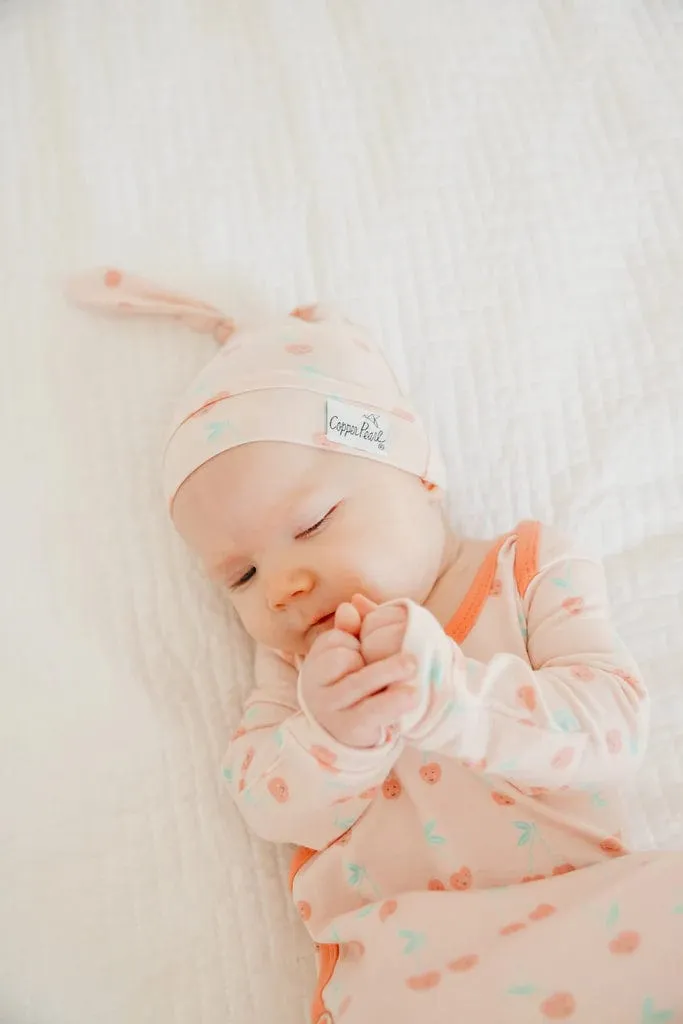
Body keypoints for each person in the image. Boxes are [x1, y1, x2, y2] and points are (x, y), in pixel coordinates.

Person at [71, 269, 683, 1024]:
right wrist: (334, 740)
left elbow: (613, 727)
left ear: (418, 476)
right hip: (414, 966)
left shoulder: (523, 569)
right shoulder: (296, 672)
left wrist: (454, 696)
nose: (283, 586)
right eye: (241, 575)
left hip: (595, 926)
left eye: (313, 523)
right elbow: (268, 804)